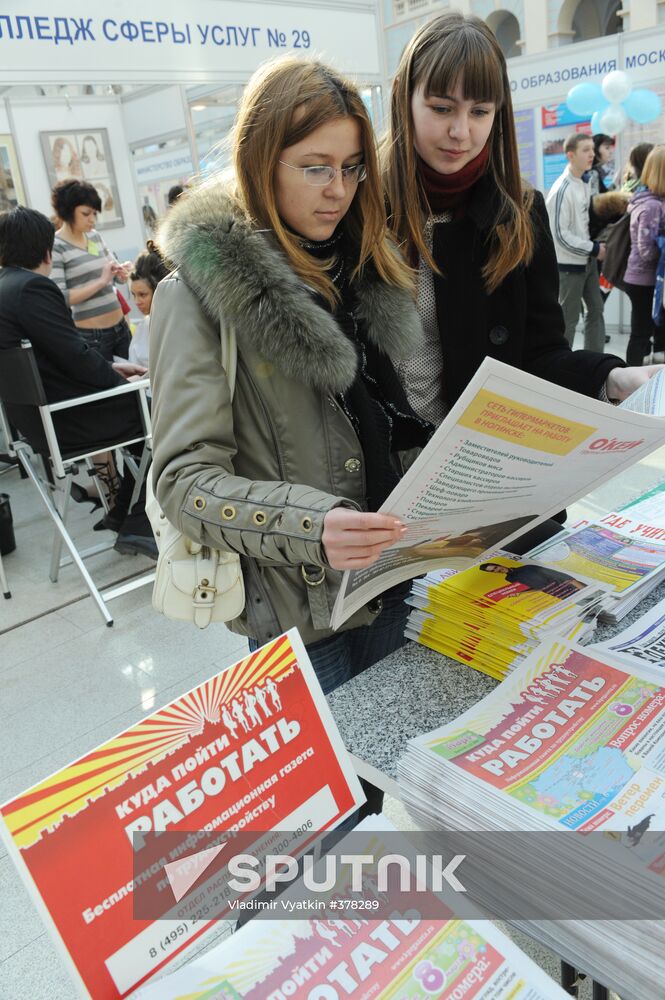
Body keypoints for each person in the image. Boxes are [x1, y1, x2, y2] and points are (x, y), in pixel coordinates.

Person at [150, 56, 432, 696]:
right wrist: (313, 524)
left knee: (399, 747)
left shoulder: (366, 265)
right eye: (315, 167)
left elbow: (382, 422)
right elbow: (182, 483)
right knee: (334, 765)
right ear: (259, 160)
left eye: (352, 167)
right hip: (303, 609)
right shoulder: (196, 295)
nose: (339, 189)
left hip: (396, 576)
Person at [383, 12, 657, 425]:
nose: (461, 131)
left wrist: (611, 379)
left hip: (476, 449)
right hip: (377, 458)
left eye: (480, 111)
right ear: (403, 98)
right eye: (441, 108)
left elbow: (540, 353)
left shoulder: (519, 213)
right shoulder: (358, 202)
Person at [0, 207, 157, 558]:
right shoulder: (31, 288)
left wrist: (112, 369)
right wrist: (121, 384)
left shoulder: (5, 288)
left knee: (142, 418)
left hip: (35, 423)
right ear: (47, 252)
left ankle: (121, 513)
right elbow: (73, 355)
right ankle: (138, 524)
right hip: (67, 421)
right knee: (163, 417)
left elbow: (58, 357)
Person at [50, 180, 133, 362]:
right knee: (110, 380)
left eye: (94, 213)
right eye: (86, 214)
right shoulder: (56, 246)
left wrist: (121, 272)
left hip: (120, 327)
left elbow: (116, 277)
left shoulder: (94, 236)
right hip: (92, 337)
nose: (92, 219)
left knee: (138, 378)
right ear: (67, 211)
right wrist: (101, 282)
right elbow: (61, 297)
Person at [545, 133, 607, 351]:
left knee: (596, 310)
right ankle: (561, 363)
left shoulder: (583, 182)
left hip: (587, 261)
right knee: (567, 320)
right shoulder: (561, 189)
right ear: (570, 155)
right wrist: (594, 248)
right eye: (585, 150)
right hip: (569, 267)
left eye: (592, 149)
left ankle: (595, 361)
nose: (592, 154)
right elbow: (559, 235)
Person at [623, 145, 665, 367]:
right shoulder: (651, 206)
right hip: (643, 281)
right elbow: (646, 250)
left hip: (651, 280)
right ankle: (632, 380)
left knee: (657, 331)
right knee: (641, 332)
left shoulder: (655, 202)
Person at [128, 242, 169, 368]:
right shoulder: (143, 327)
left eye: (142, 295)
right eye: (134, 295)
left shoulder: (173, 324)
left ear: (158, 291)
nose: (137, 302)